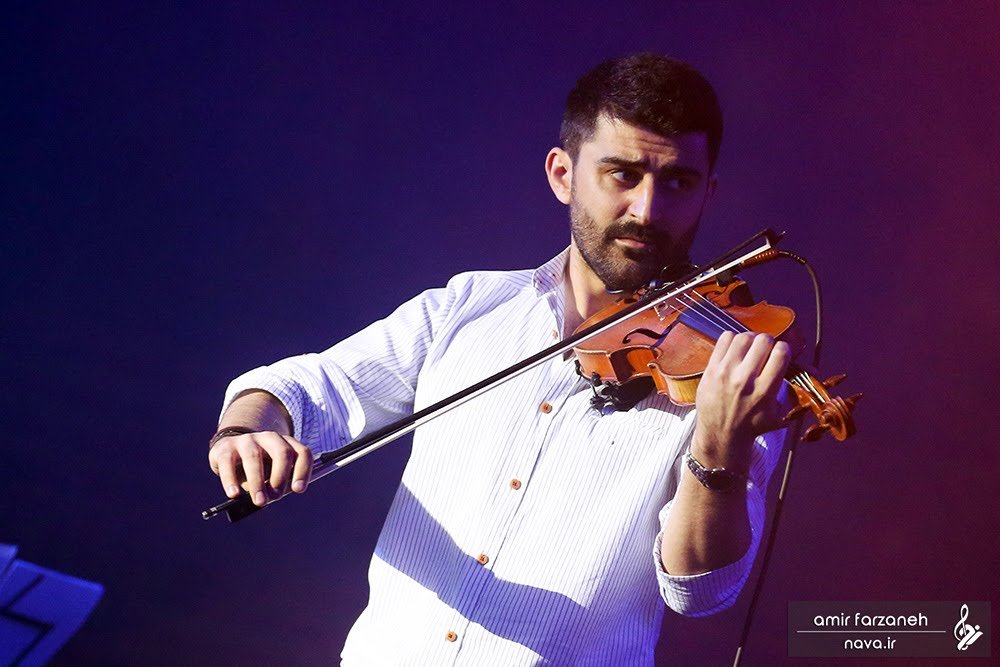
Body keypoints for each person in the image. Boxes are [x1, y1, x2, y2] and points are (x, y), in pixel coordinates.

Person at [208, 53, 791, 665]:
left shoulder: (730, 372)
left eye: (677, 183)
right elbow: (305, 386)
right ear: (563, 174)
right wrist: (247, 428)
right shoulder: (469, 305)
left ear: (708, 193)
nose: (647, 211)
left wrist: (720, 448)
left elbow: (701, 590)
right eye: (622, 174)